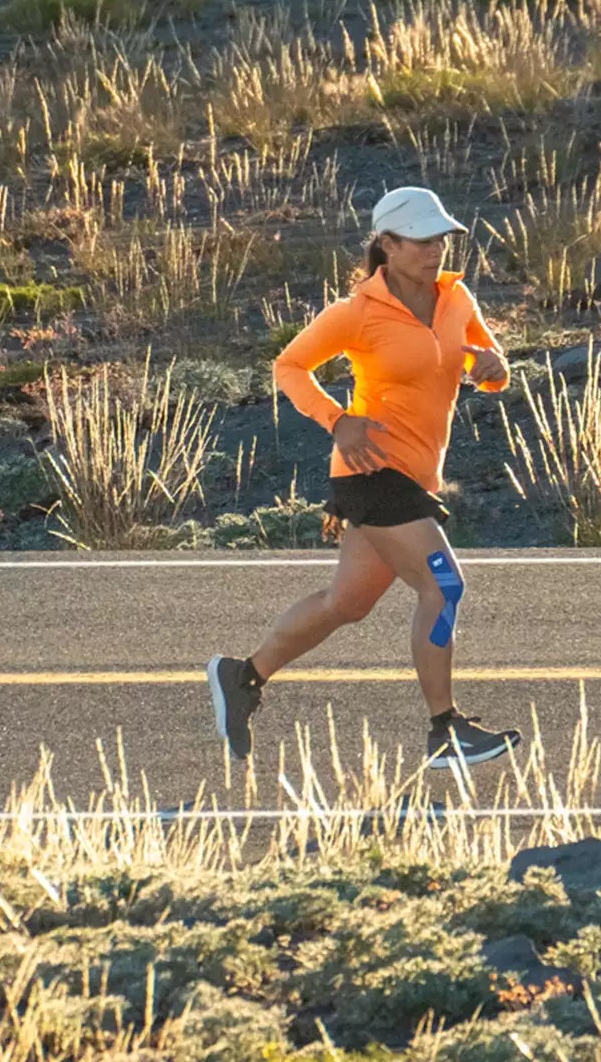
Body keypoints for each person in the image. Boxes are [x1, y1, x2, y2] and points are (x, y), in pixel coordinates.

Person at [207, 186, 523, 770]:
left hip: (418, 474)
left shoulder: (456, 298)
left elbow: (487, 361)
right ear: (387, 244)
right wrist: (338, 419)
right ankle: (444, 730)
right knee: (443, 587)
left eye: (441, 239)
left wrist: (492, 369)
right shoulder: (355, 312)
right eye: (422, 240)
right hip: (370, 469)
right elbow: (289, 366)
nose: (436, 250)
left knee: (345, 604)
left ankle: (242, 676)